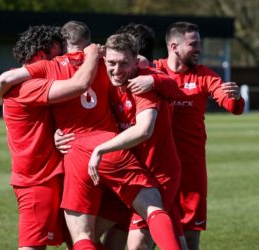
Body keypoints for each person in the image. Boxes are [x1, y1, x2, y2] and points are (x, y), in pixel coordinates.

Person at [0, 20, 179, 250]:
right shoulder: (105, 63)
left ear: (64, 45)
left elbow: (5, 80)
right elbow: (142, 64)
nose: (116, 68)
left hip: (74, 154)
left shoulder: (48, 69)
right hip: (111, 147)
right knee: (153, 210)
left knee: (80, 237)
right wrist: (150, 76)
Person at [128, 21, 245, 250]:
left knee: (190, 240)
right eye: (193, 44)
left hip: (191, 171)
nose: (199, 49)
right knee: (146, 237)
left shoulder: (204, 75)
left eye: (199, 44)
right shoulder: (154, 69)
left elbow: (232, 105)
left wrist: (236, 97)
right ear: (174, 46)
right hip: (156, 169)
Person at [0, 25, 102, 250]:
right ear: (44, 53)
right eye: (59, 52)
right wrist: (91, 54)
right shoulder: (26, 86)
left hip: (52, 174)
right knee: (33, 246)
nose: (63, 58)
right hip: (37, 180)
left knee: (82, 238)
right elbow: (79, 85)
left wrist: (55, 133)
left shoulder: (18, 82)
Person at [88, 33, 182, 250]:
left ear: (135, 60)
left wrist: (100, 149)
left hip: (157, 173)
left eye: (124, 63)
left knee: (138, 244)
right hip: (128, 174)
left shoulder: (142, 84)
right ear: (104, 60)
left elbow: (143, 130)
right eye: (112, 63)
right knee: (85, 232)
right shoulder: (103, 79)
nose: (117, 70)